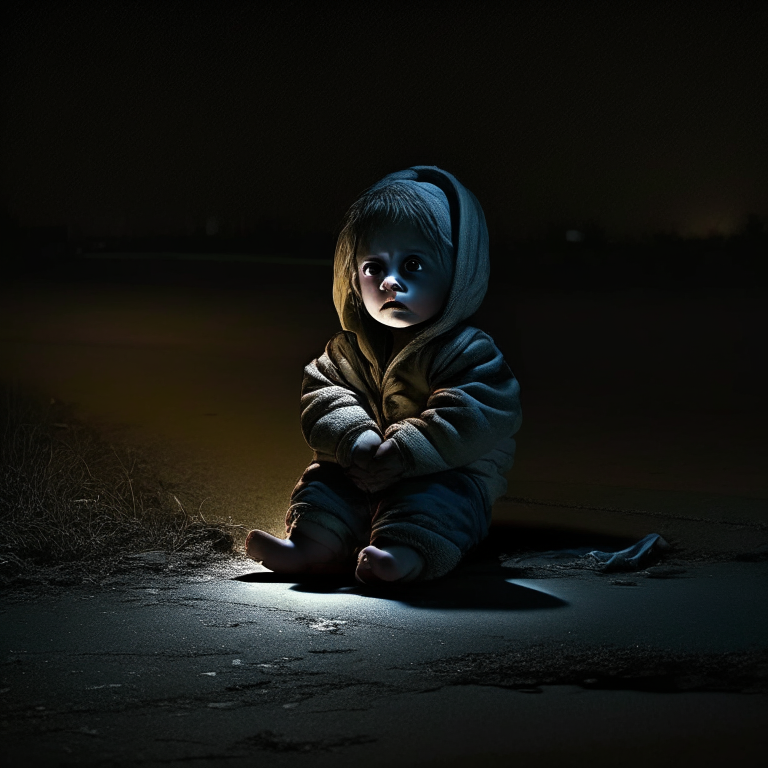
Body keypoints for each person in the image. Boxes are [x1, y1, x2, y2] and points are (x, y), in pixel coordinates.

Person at [245, 166, 522, 586]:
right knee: (323, 486)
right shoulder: (349, 349)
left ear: (457, 271)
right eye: (374, 267)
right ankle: (308, 546)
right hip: (360, 469)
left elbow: (480, 410)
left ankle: (403, 556)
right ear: (353, 278)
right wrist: (354, 437)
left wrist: (406, 450)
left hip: (446, 474)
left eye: (413, 264)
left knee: (434, 505)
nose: (392, 282)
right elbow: (323, 394)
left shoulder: (468, 351)